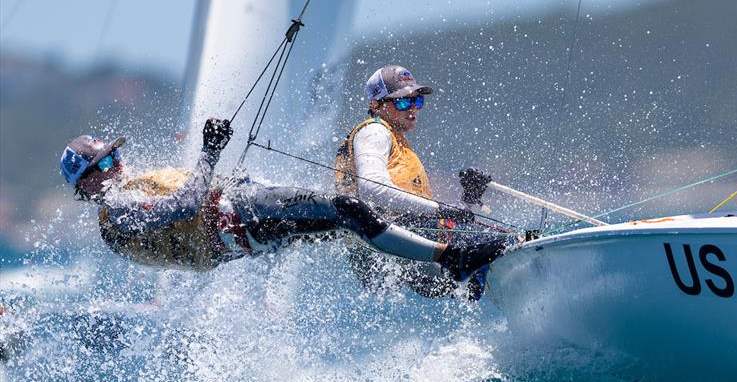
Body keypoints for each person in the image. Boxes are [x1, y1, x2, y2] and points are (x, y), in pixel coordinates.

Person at [59, 118, 506, 279]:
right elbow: (185, 206)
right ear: (86, 188)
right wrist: (210, 151)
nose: (114, 166)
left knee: (353, 225)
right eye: (100, 166)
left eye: (112, 156)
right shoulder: (117, 213)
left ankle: (456, 254)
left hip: (244, 224)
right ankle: (454, 257)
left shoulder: (124, 198)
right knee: (350, 210)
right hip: (239, 220)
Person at [334, 65, 501, 298]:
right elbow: (372, 188)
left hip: (406, 246)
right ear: (376, 105)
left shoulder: (397, 140)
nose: (412, 109)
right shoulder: (374, 132)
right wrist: (440, 209)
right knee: (494, 248)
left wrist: (469, 200)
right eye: (402, 102)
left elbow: (427, 216)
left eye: (417, 101)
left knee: (480, 258)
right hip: (384, 247)